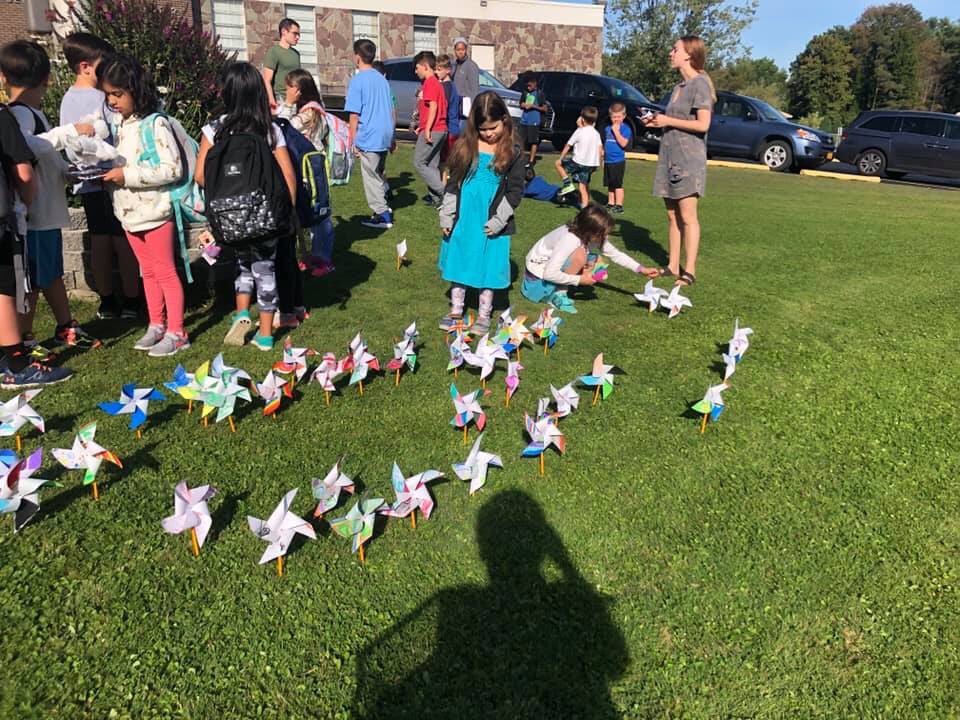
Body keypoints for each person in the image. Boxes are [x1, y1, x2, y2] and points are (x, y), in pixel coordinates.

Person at [0, 39, 101, 358]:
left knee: (47, 274)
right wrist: (69, 131)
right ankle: (27, 338)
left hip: (45, 212)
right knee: (30, 280)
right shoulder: (19, 116)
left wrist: (68, 173)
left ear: (4, 76)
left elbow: (45, 156)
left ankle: (59, 327)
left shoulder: (31, 113)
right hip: (33, 216)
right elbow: (30, 148)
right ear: (47, 78)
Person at [195, 61, 297, 352]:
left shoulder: (214, 128)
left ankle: (241, 314)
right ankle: (265, 335)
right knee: (265, 269)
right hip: (264, 215)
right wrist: (286, 212)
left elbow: (200, 175)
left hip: (229, 216)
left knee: (242, 263)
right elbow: (288, 176)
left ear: (226, 93)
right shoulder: (269, 129)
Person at [97, 54, 189, 357]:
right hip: (130, 213)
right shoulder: (123, 124)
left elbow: (171, 169)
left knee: (164, 271)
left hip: (156, 211)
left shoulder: (155, 123)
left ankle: (177, 331)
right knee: (147, 271)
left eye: (118, 94)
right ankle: (156, 323)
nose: (112, 101)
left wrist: (127, 176)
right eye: (108, 94)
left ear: (136, 90)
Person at [59, 32, 141, 321]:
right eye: (102, 64)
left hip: (86, 183)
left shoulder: (67, 100)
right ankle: (132, 298)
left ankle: (107, 300)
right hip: (109, 179)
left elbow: (67, 143)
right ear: (85, 67)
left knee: (100, 240)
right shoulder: (101, 97)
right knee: (122, 239)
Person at [438, 91, 524, 336]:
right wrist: (447, 215)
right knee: (460, 259)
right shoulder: (466, 145)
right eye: (483, 128)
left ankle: (484, 315)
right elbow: (453, 184)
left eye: (493, 127)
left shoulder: (514, 151)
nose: (488, 133)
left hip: (492, 220)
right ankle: (456, 310)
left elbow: (515, 191)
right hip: (465, 216)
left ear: (504, 120)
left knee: (489, 264)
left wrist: (499, 220)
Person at [0, 105, 73, 387]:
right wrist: (24, 206)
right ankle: (16, 364)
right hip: (3, 222)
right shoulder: (3, 118)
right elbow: (25, 174)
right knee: (5, 287)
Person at [642, 35, 715, 287]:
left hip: (688, 159)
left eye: (675, 49)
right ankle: (672, 265)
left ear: (688, 55)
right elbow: (673, 120)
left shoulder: (700, 85)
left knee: (688, 216)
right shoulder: (678, 88)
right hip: (668, 156)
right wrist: (656, 121)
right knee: (672, 216)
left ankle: (689, 270)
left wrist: (668, 121)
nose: (670, 53)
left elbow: (703, 124)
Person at [522, 203, 658, 313]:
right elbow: (549, 273)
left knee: (597, 263)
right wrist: (580, 280)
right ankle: (558, 295)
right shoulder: (570, 239)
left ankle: (564, 286)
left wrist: (641, 269)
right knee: (581, 256)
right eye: (603, 234)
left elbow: (616, 255)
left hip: (546, 271)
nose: (606, 237)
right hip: (537, 282)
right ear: (590, 230)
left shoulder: (587, 234)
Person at [345, 39, 395, 230]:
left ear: (357, 57)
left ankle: (382, 215)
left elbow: (354, 114)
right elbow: (391, 109)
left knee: (371, 177)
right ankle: (382, 209)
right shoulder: (382, 79)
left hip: (369, 135)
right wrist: (392, 138)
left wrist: (352, 140)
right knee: (379, 172)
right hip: (384, 133)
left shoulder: (358, 80)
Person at [412, 51, 448, 208]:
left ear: (425, 66)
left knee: (419, 163)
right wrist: (422, 124)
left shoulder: (430, 83)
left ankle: (445, 193)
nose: (415, 71)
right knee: (432, 165)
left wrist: (427, 129)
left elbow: (433, 106)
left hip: (434, 130)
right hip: (439, 129)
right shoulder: (435, 83)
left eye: (417, 67)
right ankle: (437, 200)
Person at [555, 106, 603, 210]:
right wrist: (598, 163)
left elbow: (568, 145)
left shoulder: (579, 131)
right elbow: (600, 149)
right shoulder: (596, 133)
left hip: (578, 161)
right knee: (583, 185)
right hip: (590, 164)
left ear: (582, 119)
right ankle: (585, 207)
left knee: (558, 164)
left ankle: (567, 184)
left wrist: (561, 157)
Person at [261, 18, 301, 113]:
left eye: (299, 34)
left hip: (295, 101)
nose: (298, 37)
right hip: (280, 100)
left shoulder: (296, 54)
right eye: (295, 33)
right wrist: (271, 101)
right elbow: (266, 80)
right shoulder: (273, 51)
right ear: (284, 31)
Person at [603, 102, 631, 214]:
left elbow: (623, 143)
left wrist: (616, 131)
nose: (616, 119)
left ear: (623, 116)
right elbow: (606, 143)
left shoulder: (625, 129)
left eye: (618, 117)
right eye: (614, 117)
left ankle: (619, 205)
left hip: (618, 161)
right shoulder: (607, 129)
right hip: (608, 160)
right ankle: (610, 203)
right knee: (610, 184)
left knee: (617, 184)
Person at [436, 54, 461, 162]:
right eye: (436, 69)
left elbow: (443, 108)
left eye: (439, 69)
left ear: (448, 70)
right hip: (452, 129)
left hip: (449, 129)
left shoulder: (446, 87)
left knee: (444, 164)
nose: (437, 72)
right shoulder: (451, 86)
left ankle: (444, 179)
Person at [518, 73, 547, 166]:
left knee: (533, 141)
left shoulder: (540, 94)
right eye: (527, 85)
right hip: (524, 120)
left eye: (530, 85)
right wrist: (523, 105)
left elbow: (545, 108)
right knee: (520, 141)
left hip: (534, 120)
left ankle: (531, 161)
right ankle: (520, 159)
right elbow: (521, 103)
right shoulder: (525, 92)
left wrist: (533, 106)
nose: (528, 87)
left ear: (535, 84)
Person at [450, 37, 480, 108]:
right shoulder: (453, 65)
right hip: (454, 104)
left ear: (466, 50)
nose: (460, 52)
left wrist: (473, 109)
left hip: (466, 105)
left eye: (462, 49)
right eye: (458, 50)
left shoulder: (471, 66)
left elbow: (474, 90)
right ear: (454, 50)